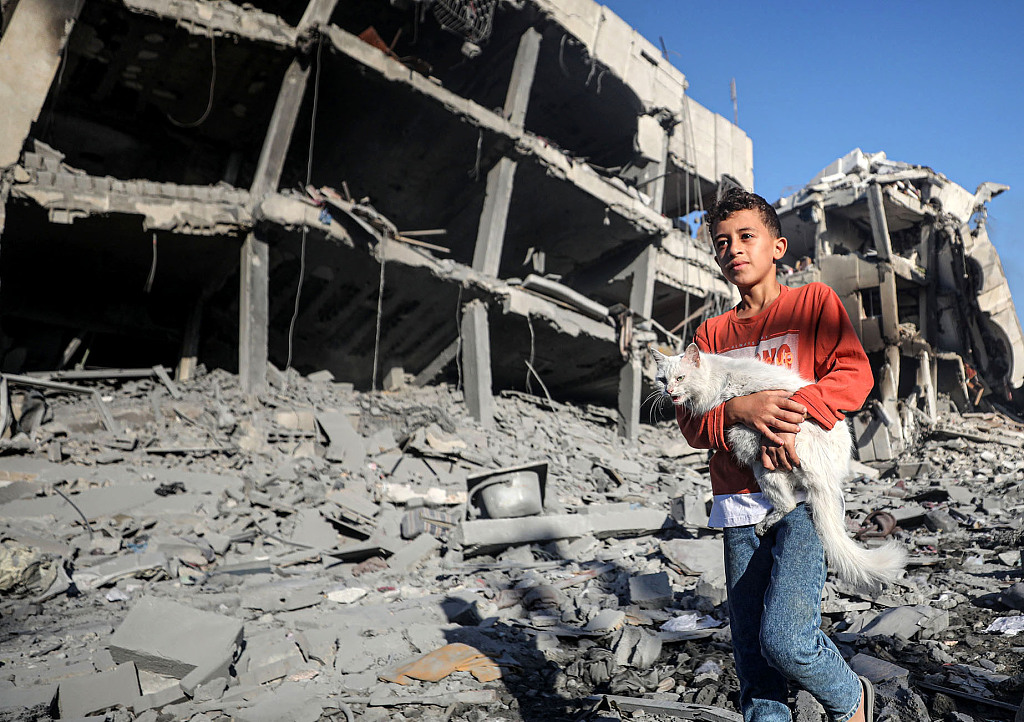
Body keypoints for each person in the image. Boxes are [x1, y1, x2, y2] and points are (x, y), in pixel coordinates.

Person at [676, 189, 875, 722]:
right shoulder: (711, 335)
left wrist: (796, 408)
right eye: (722, 242)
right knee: (754, 665)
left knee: (785, 639)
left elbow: (855, 376)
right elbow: (692, 424)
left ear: (778, 246)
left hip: (803, 499)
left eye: (746, 237)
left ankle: (850, 699)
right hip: (739, 506)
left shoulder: (813, 304)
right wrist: (740, 409)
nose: (733, 250)